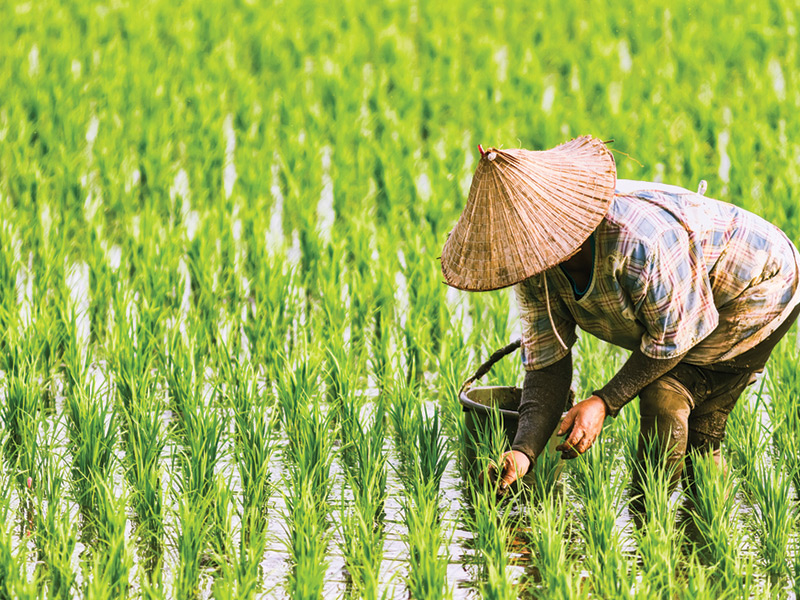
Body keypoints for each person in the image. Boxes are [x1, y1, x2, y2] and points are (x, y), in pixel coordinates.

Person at [440, 136, 800, 501]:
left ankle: (650, 520)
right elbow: (548, 367)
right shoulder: (535, 271)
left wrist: (603, 402)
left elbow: (673, 337)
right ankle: (699, 530)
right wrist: (524, 451)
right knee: (700, 437)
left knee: (667, 394)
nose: (528, 257)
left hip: (760, 284)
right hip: (692, 303)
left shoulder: (638, 243)